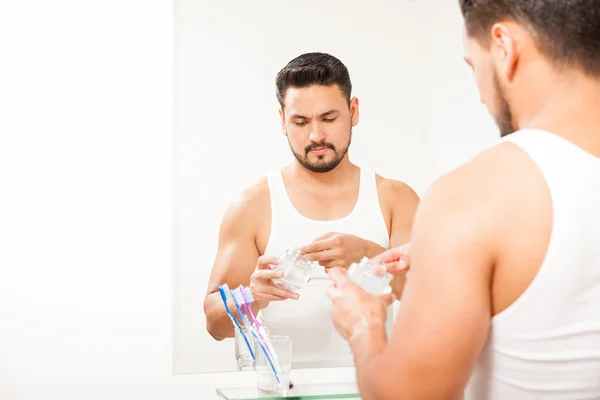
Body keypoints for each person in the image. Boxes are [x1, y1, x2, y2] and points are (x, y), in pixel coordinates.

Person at [327, 0, 600, 398]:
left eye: (474, 66)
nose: (481, 96)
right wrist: (465, 258)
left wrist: (362, 324)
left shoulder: (477, 194)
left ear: (504, 47)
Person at [203, 52, 420, 367]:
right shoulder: (252, 205)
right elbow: (214, 324)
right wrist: (252, 296)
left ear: (353, 111)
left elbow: (431, 304)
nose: (316, 135)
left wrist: (369, 256)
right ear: (282, 121)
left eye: (329, 118)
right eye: (300, 122)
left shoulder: (395, 199)